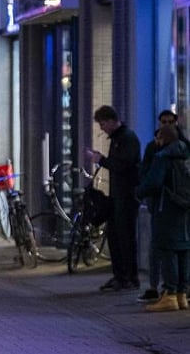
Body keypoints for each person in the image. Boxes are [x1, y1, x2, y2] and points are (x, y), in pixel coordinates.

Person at [135, 125, 190, 312]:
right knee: (183, 250)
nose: (156, 141)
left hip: (166, 208)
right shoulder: (186, 156)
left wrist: (139, 191)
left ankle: (170, 295)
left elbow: (153, 183)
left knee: (167, 250)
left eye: (158, 137)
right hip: (185, 210)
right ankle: (183, 295)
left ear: (164, 139)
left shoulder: (162, 157)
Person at [86, 105, 141, 291]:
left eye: (102, 124)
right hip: (118, 195)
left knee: (125, 238)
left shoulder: (126, 138)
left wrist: (101, 160)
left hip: (127, 196)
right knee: (115, 237)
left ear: (111, 120)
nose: (102, 129)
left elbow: (123, 165)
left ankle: (129, 277)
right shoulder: (119, 138)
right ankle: (121, 276)